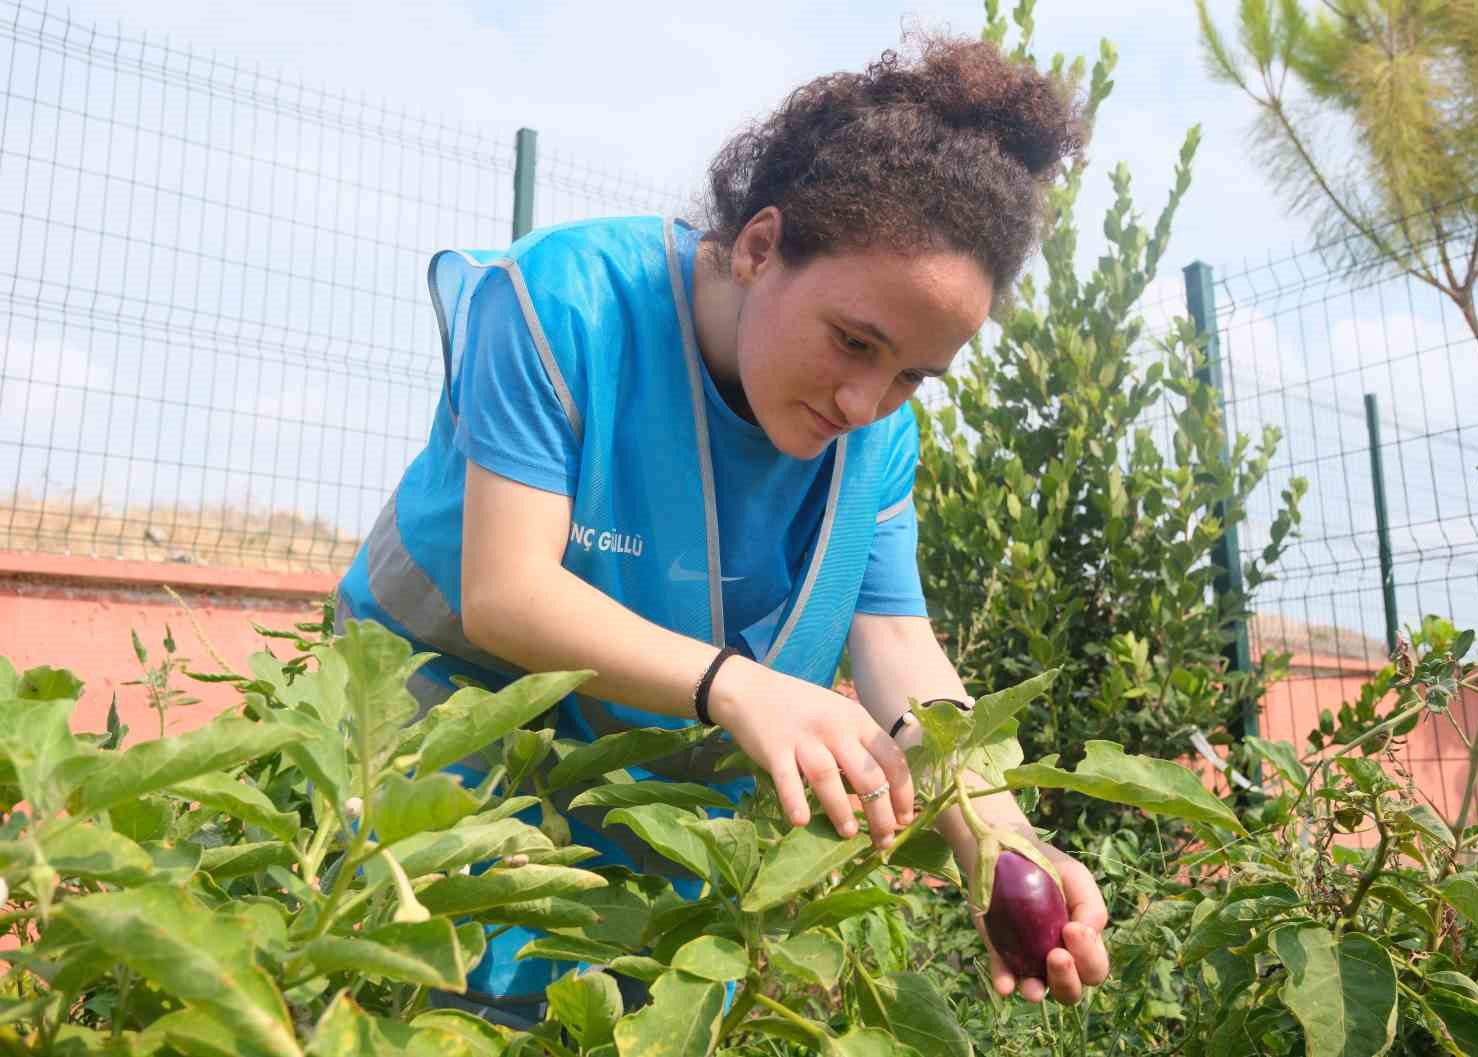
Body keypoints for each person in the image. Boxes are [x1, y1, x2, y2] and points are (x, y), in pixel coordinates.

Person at [336, 31, 1111, 1028]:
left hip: (648, 774)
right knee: (436, 1000)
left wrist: (999, 831)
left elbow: (897, 646)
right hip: (441, 725)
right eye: (853, 341)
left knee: (637, 1013)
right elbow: (506, 590)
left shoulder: (879, 439)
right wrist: (740, 685)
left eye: (913, 374)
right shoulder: (565, 301)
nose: (868, 398)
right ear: (757, 246)